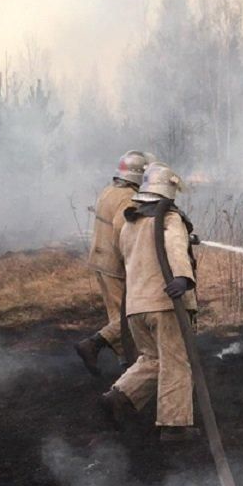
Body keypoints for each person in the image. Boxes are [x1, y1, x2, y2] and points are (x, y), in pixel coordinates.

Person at [102, 162, 199, 442]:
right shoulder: (168, 218)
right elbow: (174, 246)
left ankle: (118, 397)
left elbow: (136, 256)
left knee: (153, 359)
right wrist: (182, 277)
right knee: (176, 362)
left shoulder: (130, 224)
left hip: (136, 308)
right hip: (166, 305)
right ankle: (174, 426)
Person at [75, 150, 152, 375]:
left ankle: (126, 363)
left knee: (116, 314)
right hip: (115, 264)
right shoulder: (128, 197)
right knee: (130, 316)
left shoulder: (109, 191)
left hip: (100, 260)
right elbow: (124, 230)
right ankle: (93, 344)